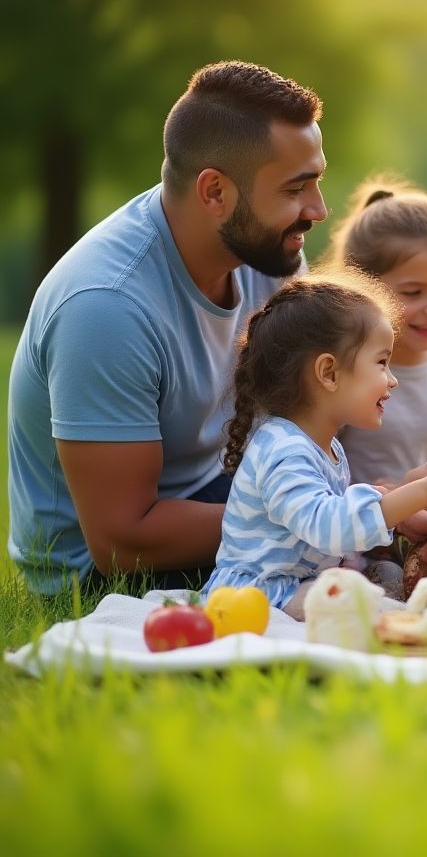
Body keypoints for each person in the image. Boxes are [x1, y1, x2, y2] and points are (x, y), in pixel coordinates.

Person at [8, 61, 330, 594]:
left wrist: (377, 497)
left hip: (216, 492)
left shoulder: (266, 254)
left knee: (381, 550)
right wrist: (318, 519)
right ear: (215, 192)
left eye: (316, 181)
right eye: (296, 188)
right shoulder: (107, 307)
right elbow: (122, 541)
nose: (318, 209)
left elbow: (308, 415)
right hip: (105, 571)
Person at [201, 273, 427, 618]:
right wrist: (424, 492)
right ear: (329, 373)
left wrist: (415, 484)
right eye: (381, 362)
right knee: (358, 603)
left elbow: (339, 513)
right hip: (256, 596)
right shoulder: (284, 449)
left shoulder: (323, 446)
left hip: (295, 588)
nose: (392, 380)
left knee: (372, 588)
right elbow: (328, 527)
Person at [328, 175, 427, 591]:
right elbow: (320, 479)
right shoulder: (345, 372)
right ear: (363, 290)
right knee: (390, 582)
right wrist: (396, 508)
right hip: (356, 537)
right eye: (413, 292)